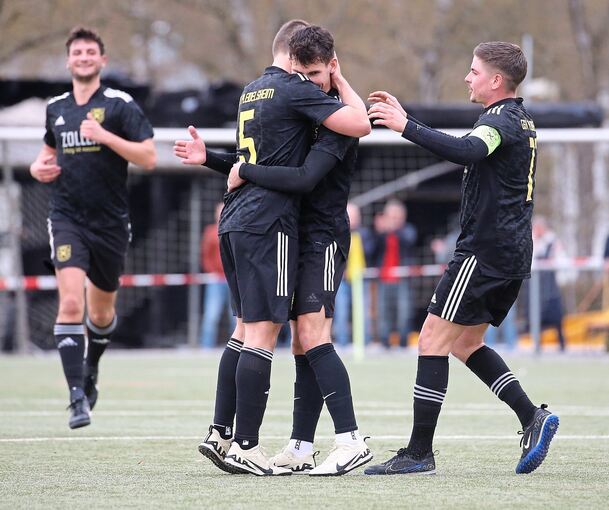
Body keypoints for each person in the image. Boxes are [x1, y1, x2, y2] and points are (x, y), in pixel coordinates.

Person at [174, 19, 370, 476]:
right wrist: (220, 162)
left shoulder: (322, 116)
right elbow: (264, 163)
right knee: (285, 336)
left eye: (324, 78)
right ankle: (290, 445)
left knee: (304, 335)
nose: (315, 84)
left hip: (319, 237)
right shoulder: (302, 103)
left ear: (334, 73)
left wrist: (236, 168)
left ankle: (347, 439)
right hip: (277, 228)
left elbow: (296, 173)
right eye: (314, 75)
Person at [365, 41, 558, 475]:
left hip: (484, 252)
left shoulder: (498, 119)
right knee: (467, 344)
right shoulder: (522, 119)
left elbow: (468, 150)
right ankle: (532, 417)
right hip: (510, 252)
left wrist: (405, 125)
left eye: (473, 71)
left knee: (432, 341)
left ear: (495, 80)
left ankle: (418, 453)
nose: (467, 78)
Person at [29, 27, 156, 429]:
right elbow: (46, 154)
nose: (83, 57)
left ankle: (92, 368)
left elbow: (149, 157)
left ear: (102, 60)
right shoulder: (56, 107)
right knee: (70, 303)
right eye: (77, 52)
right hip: (66, 218)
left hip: (110, 224)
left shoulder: (119, 105)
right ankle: (76, 398)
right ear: (68, 61)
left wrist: (104, 136)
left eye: (90, 52)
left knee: (101, 314)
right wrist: (37, 167)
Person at [371, 199, 417, 348]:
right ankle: (385, 342)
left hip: (402, 278)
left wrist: (394, 229)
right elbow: (371, 250)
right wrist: (379, 232)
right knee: (384, 312)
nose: (393, 220)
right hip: (384, 278)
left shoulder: (408, 230)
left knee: (403, 312)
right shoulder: (382, 233)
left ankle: (403, 341)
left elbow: (409, 241)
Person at [333, 202, 375, 346]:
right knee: (341, 311)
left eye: (355, 216)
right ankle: (342, 341)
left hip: (361, 278)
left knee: (363, 311)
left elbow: (371, 251)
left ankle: (365, 341)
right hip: (342, 278)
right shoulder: (338, 233)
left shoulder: (365, 234)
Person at [199, 202, 234, 349]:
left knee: (235, 317)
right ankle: (206, 347)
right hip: (216, 280)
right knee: (211, 315)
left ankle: (238, 346)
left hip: (232, 279)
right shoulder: (210, 232)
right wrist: (212, 272)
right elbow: (205, 256)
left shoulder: (233, 230)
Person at [530, 216, 566, 351]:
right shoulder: (532, 241)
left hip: (551, 288)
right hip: (536, 288)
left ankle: (562, 345)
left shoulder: (553, 241)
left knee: (557, 318)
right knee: (536, 318)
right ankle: (537, 346)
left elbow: (561, 260)